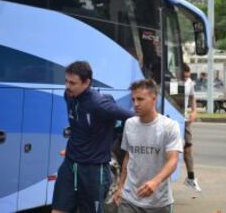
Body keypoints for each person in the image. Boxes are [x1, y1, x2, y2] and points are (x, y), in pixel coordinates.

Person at [52, 61, 133, 213]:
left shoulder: (99, 104)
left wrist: (113, 136)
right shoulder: (68, 96)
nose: (67, 86)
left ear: (87, 82)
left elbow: (131, 117)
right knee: (58, 210)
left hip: (93, 170)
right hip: (70, 165)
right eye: (66, 81)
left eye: (73, 83)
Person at [113, 79, 183, 212]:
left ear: (153, 99)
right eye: (133, 100)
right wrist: (120, 186)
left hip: (159, 203)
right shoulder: (129, 124)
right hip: (129, 200)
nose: (136, 104)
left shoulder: (169, 126)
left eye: (140, 99)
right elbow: (128, 157)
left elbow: (173, 160)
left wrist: (155, 182)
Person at [183, 63, 202, 192]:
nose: (186, 79)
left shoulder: (189, 82)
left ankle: (191, 178)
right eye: (184, 77)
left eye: (187, 76)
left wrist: (194, 111)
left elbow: (192, 97)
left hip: (184, 120)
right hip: (171, 117)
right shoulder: (172, 82)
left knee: (188, 149)